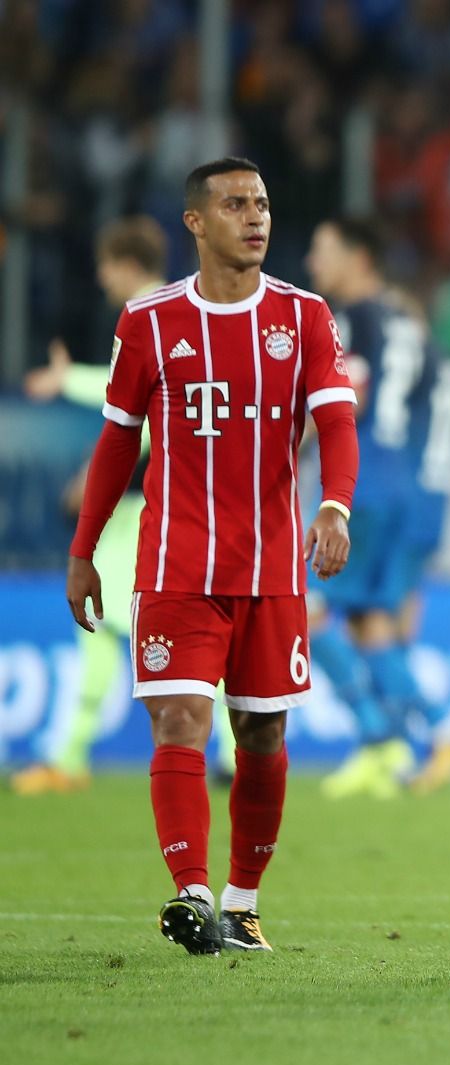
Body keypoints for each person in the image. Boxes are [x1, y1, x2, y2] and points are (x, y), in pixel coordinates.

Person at [63, 157, 360, 955]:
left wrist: (333, 504)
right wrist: (84, 550)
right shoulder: (149, 322)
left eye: (261, 204)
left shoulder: (303, 317)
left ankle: (242, 902)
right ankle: (192, 896)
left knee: (261, 738)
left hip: (270, 572)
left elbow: (336, 422)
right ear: (196, 222)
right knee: (182, 721)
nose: (255, 217)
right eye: (235, 205)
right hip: (175, 568)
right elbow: (116, 443)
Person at [17, 218, 249, 793]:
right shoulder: (183, 312)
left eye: (105, 264)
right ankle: (230, 750)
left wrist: (74, 395)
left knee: (113, 626)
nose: (99, 277)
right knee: (135, 628)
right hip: (173, 505)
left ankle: (69, 758)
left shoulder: (153, 315)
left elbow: (145, 406)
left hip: (155, 510)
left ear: (124, 264)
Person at [305, 217, 450, 799]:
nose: (312, 263)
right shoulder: (404, 322)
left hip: (363, 483)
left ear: (359, 258)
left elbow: (343, 403)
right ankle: (433, 731)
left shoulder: (354, 318)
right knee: (370, 619)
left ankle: (381, 734)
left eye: (323, 251)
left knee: (300, 606)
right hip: (403, 480)